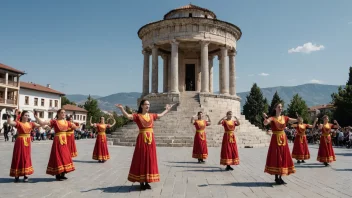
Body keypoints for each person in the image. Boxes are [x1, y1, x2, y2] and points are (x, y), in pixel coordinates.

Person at [116, 100, 174, 190]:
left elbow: (160, 115)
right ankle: (141, 181)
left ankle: (147, 181)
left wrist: (167, 110)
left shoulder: (151, 115)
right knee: (142, 158)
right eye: (146, 104)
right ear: (142, 106)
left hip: (151, 140)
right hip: (142, 139)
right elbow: (128, 116)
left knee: (150, 158)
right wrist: (122, 109)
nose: (148, 106)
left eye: (149, 105)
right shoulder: (137, 116)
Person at [35, 109, 79, 181]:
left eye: (64, 113)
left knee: (65, 156)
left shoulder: (67, 122)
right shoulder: (54, 121)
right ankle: (58, 174)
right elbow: (43, 123)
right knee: (58, 156)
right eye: (62, 112)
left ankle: (63, 173)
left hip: (65, 141)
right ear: (58, 114)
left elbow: (75, 127)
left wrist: (75, 125)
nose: (63, 114)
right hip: (58, 140)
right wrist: (36, 117)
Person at [263, 102, 297, 185]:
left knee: (283, 156)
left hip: (283, 138)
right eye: (279, 107)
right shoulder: (272, 118)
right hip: (275, 139)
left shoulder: (284, 118)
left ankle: (280, 177)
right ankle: (276, 177)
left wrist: (298, 119)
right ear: (275, 108)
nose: (280, 108)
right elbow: (265, 123)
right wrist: (265, 118)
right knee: (276, 156)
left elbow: (293, 120)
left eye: (281, 107)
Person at [7, 111, 40, 182]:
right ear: (22, 116)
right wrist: (9, 116)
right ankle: (17, 174)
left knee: (26, 157)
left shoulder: (31, 124)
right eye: (25, 115)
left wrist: (37, 117)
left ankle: (26, 174)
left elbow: (40, 125)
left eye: (28, 115)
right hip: (20, 141)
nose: (27, 117)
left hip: (27, 142)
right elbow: (10, 123)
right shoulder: (19, 123)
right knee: (18, 156)